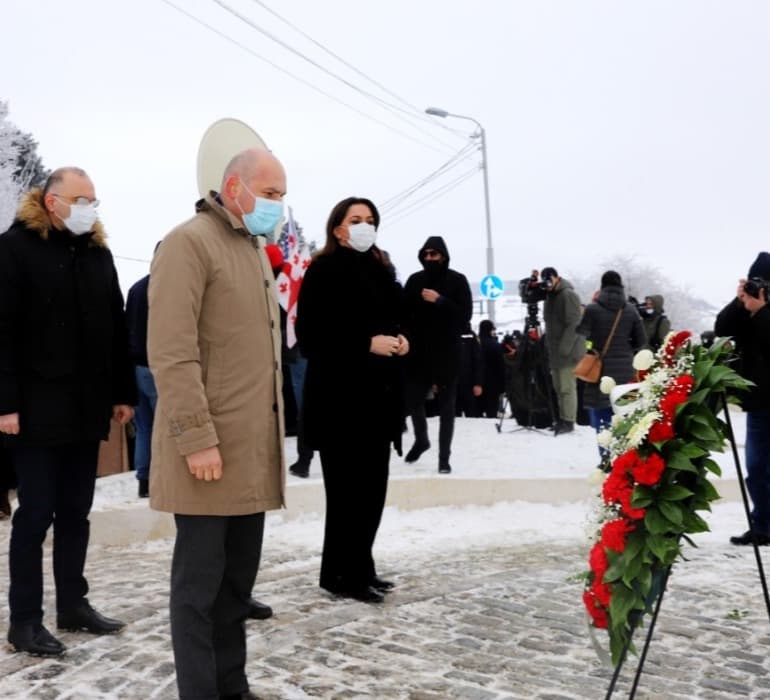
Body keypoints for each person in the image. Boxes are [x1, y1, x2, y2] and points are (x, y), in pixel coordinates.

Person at [148, 148, 286, 700]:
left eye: (280, 195)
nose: (278, 206)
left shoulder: (252, 249)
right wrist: (196, 438)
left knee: (235, 589)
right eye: (271, 194)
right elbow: (172, 353)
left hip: (249, 453)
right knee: (198, 592)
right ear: (234, 188)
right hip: (208, 453)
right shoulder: (189, 242)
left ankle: (233, 687)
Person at [0, 167, 136, 657]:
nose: (89, 209)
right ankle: (25, 621)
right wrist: (6, 404)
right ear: (51, 201)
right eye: (81, 199)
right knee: (35, 514)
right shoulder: (14, 249)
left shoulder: (98, 254)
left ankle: (73, 605)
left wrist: (124, 393)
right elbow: (2, 332)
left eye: (94, 200)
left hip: (85, 406)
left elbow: (118, 328)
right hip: (34, 411)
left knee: (76, 512)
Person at [296, 196, 408, 604]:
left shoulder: (382, 269)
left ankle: (362, 566)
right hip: (340, 402)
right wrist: (366, 344)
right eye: (356, 219)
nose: (364, 225)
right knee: (346, 495)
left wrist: (400, 338)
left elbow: (396, 316)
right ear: (337, 228)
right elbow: (311, 337)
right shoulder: (323, 270)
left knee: (372, 491)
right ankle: (341, 574)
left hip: (379, 400)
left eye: (370, 219)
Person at [403, 237, 472, 474]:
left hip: (447, 352)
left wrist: (440, 300)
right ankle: (421, 439)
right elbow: (403, 314)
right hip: (418, 351)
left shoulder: (457, 281)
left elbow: (464, 316)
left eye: (435, 254)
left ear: (443, 256)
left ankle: (444, 457)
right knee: (413, 400)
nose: (430, 258)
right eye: (427, 254)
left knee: (447, 407)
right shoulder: (415, 280)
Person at [715, 252, 770, 546]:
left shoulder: (762, 311)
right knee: (757, 467)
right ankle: (763, 525)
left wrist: (761, 310)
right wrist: (740, 302)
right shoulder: (748, 307)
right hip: (760, 403)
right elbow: (722, 329)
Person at [576, 271, 646, 466]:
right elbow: (642, 341)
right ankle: (625, 461)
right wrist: (625, 350)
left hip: (600, 372)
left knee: (602, 418)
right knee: (626, 417)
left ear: (602, 287)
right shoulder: (631, 310)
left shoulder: (592, 309)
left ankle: (606, 460)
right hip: (626, 375)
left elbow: (581, 334)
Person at [125, 250, 159, 498]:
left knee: (145, 428)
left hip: (135, 368)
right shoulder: (165, 288)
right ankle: (164, 479)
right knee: (168, 428)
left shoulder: (136, 289)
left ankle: (144, 481)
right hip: (157, 366)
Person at [541, 267, 585, 434]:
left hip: (568, 351)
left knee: (567, 387)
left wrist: (564, 348)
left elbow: (574, 323)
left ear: (556, 278)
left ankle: (569, 421)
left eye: (549, 280)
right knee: (558, 387)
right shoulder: (550, 297)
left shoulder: (567, 295)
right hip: (556, 350)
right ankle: (562, 418)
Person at [477, 320, 505, 418]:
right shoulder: (494, 345)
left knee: (477, 415)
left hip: (476, 384)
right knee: (491, 413)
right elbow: (501, 365)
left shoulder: (475, 343)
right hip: (493, 385)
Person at [455, 324, 482, 417]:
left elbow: (478, 361)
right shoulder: (446, 334)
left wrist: (478, 383)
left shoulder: (471, 335)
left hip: (469, 383)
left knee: (471, 414)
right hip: (451, 383)